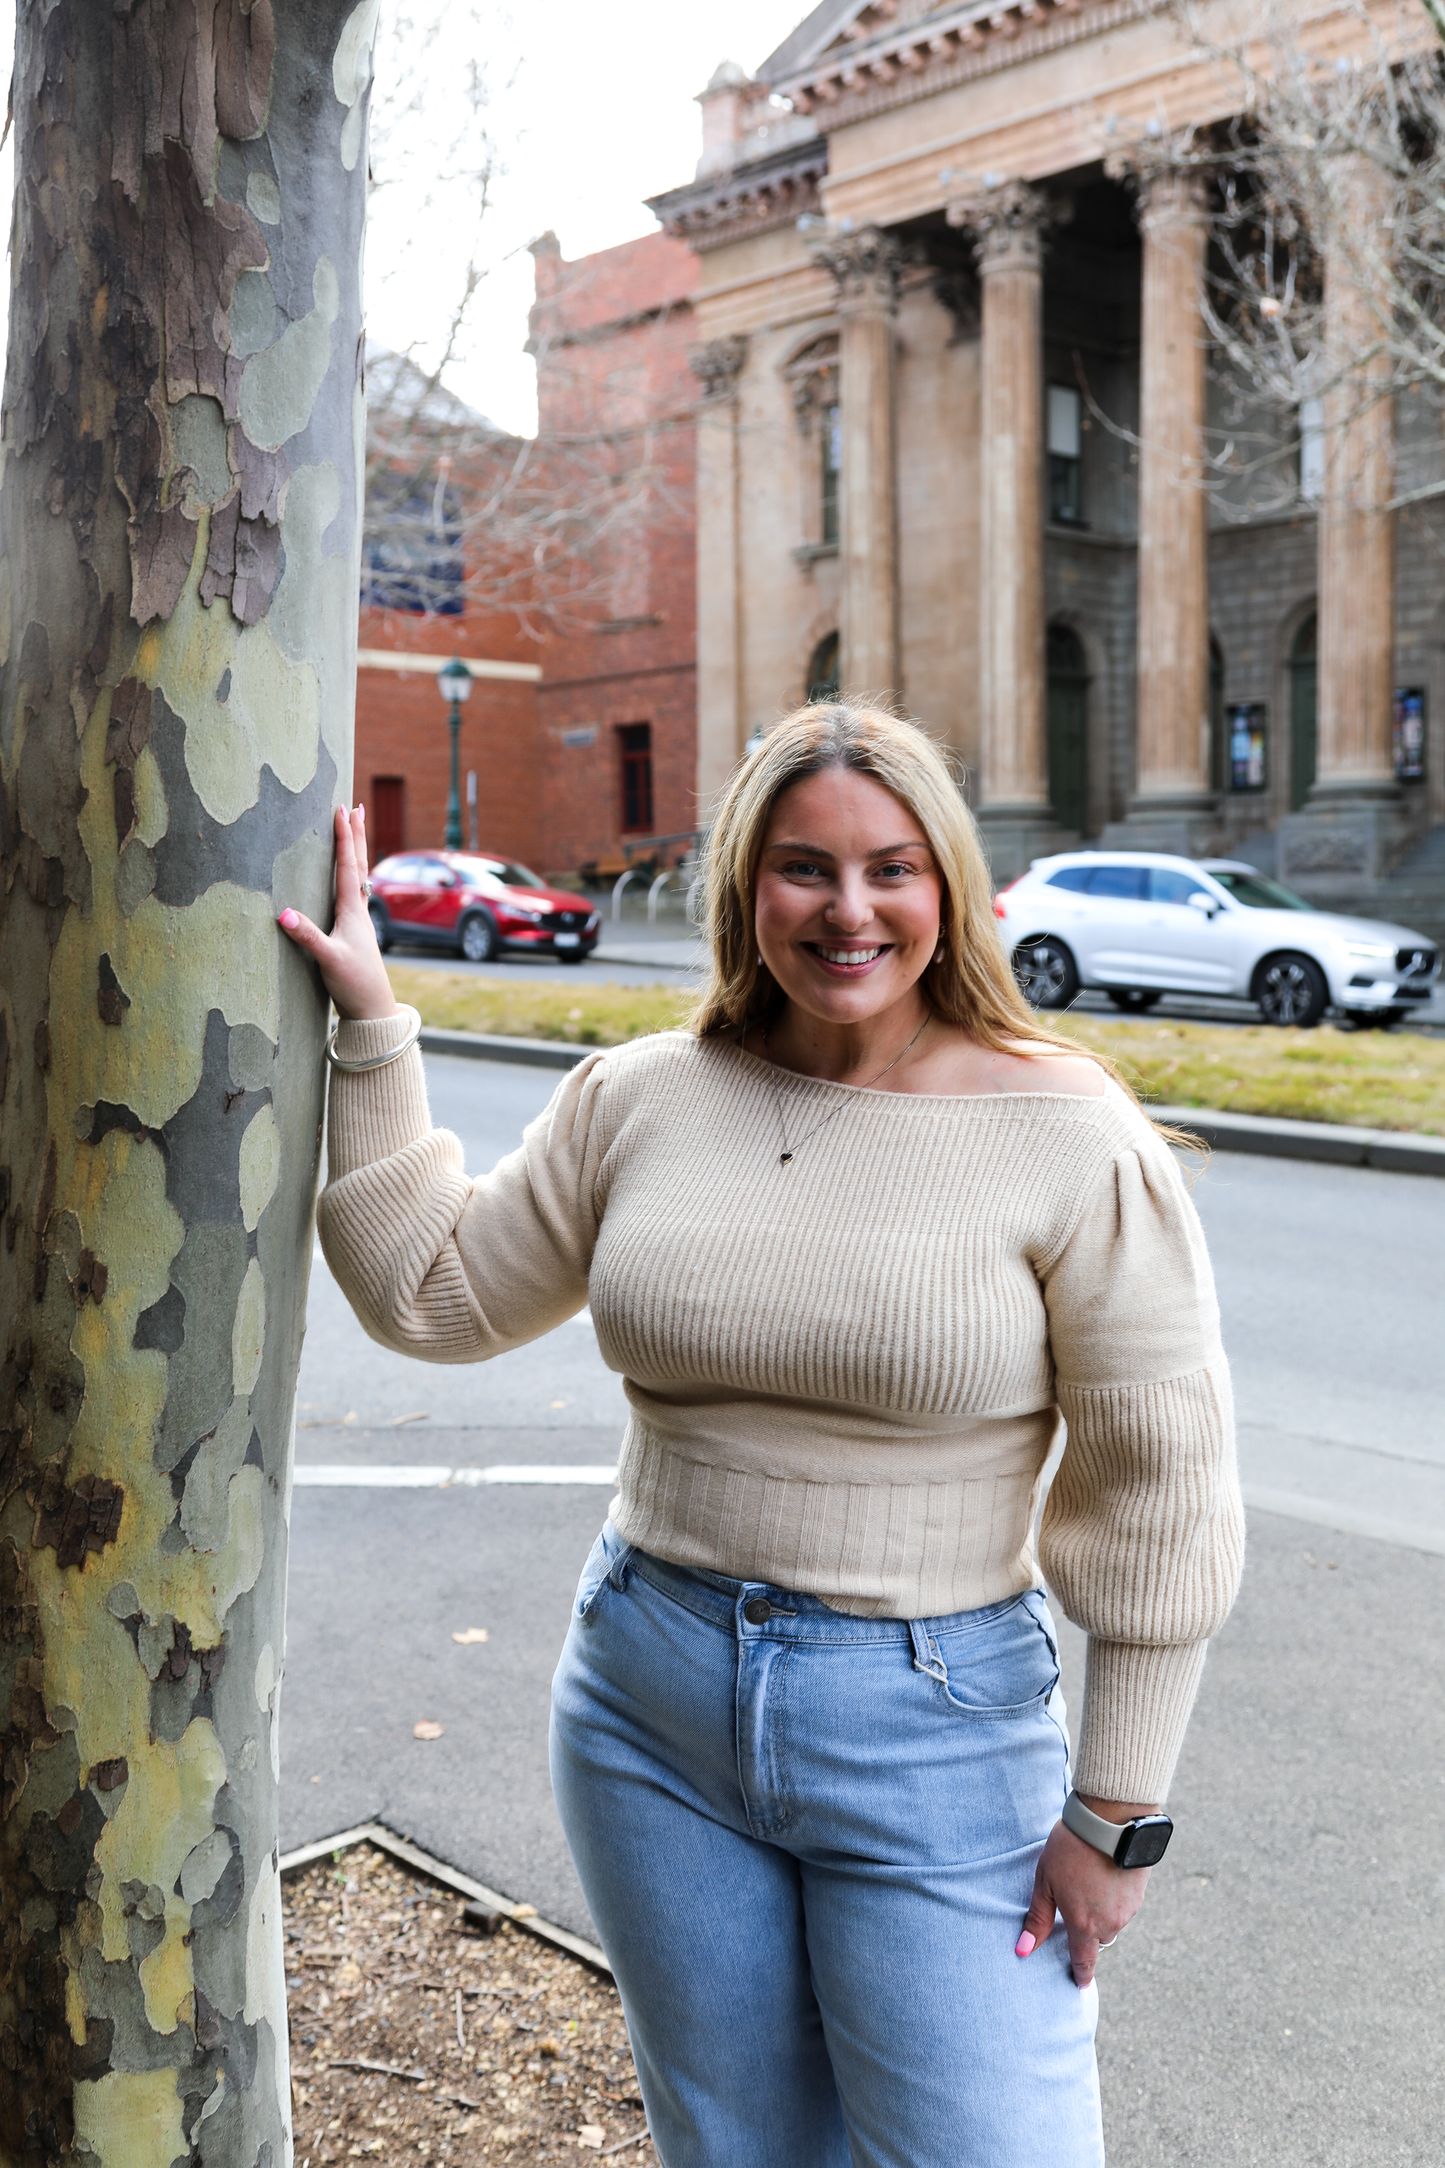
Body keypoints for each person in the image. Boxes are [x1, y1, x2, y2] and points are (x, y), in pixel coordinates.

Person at [280, 702, 1244, 2168]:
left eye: (892, 869)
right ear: (743, 886)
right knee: (736, 2150)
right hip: (647, 1702)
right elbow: (437, 1294)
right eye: (804, 868)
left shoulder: (1071, 1134)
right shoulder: (643, 1098)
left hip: (934, 1725)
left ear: (949, 888)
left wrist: (1118, 1813)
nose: (849, 911)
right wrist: (369, 1026)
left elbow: (1162, 1494)